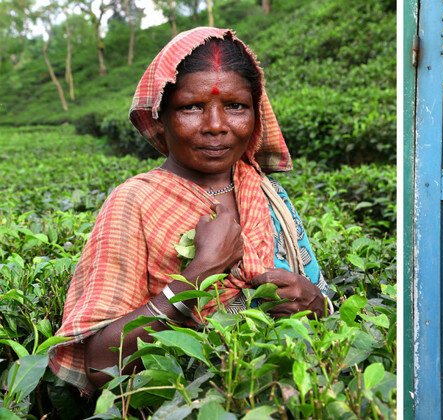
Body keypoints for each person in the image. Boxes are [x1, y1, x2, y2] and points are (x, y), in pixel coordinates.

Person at [49, 27, 334, 395]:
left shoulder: (268, 193)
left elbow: (326, 306)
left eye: (235, 106)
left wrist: (316, 304)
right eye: (191, 107)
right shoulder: (134, 203)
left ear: (255, 114)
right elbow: (100, 363)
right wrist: (198, 275)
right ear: (160, 117)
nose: (216, 126)